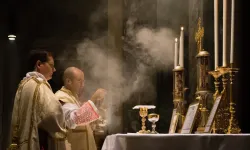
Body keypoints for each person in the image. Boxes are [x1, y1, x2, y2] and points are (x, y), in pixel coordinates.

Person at [9, 50, 67, 150]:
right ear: (39, 64)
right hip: (39, 142)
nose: (54, 70)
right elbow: (52, 114)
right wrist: (60, 109)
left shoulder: (23, 84)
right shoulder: (40, 85)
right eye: (51, 65)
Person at [55, 67, 107, 150]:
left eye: (84, 81)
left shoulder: (72, 97)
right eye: (80, 81)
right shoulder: (61, 97)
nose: (83, 85)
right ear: (69, 81)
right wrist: (93, 101)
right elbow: (75, 119)